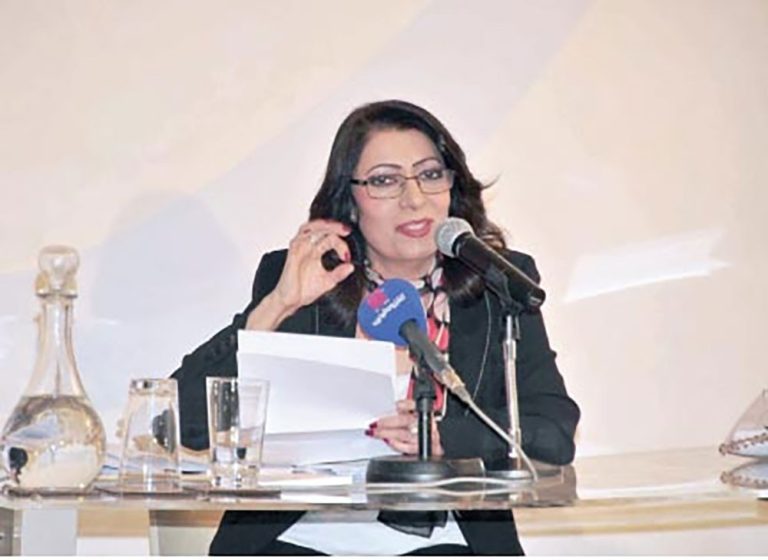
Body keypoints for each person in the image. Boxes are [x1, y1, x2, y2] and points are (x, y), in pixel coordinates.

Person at [171, 99, 580, 555]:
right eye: (385, 180)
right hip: (301, 537)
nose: (414, 199)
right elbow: (185, 423)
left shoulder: (495, 284)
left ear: (453, 186)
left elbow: (553, 430)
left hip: (448, 542)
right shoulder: (307, 278)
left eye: (430, 174)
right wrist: (279, 303)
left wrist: (444, 437)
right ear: (350, 200)